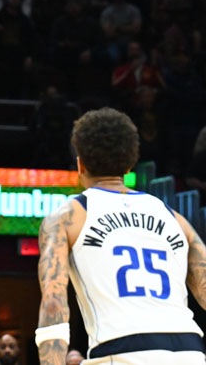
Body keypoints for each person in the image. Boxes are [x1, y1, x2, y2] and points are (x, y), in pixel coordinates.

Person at [36, 108, 206, 364]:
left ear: (80, 164)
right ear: (129, 165)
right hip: (189, 350)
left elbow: (53, 304)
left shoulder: (66, 216)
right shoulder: (173, 216)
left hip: (121, 347)